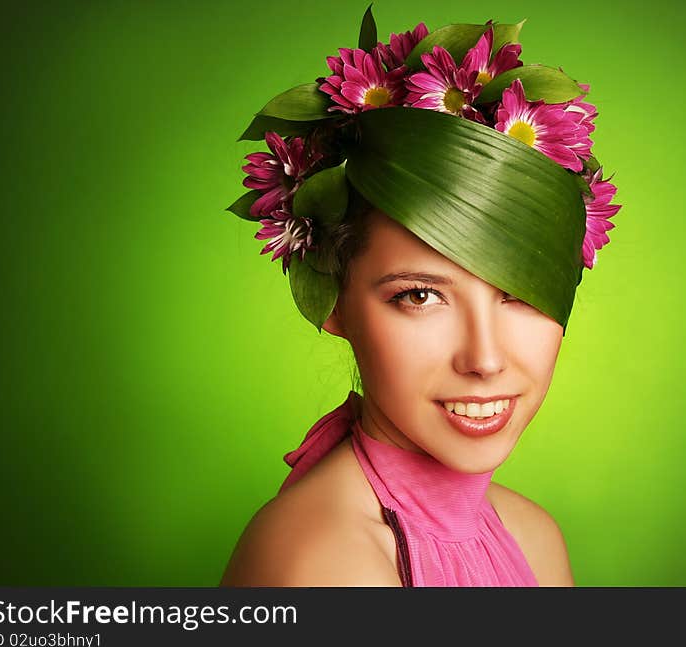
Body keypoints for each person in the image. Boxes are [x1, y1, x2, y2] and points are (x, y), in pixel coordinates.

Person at [220, 8, 621, 587]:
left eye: (520, 292)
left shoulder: (535, 538)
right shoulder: (325, 565)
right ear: (333, 298)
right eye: (420, 296)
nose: (485, 359)